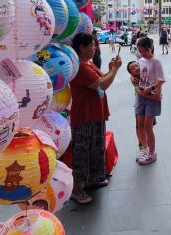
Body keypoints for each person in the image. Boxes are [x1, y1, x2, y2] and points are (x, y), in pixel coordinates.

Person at [70, 32, 122, 205]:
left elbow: (100, 81)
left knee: (95, 147)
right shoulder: (80, 67)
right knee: (82, 152)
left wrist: (109, 70)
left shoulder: (88, 64)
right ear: (82, 48)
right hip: (85, 115)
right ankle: (76, 189)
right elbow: (102, 85)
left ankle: (92, 179)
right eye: (91, 45)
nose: (95, 48)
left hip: (95, 112)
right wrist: (114, 70)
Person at [133, 37, 165, 165]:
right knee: (140, 124)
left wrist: (149, 88)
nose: (142, 54)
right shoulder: (140, 60)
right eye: (140, 51)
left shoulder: (156, 61)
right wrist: (134, 78)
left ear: (150, 48)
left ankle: (152, 153)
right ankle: (145, 149)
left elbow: (161, 80)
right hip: (141, 95)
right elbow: (141, 76)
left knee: (148, 126)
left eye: (144, 51)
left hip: (151, 96)